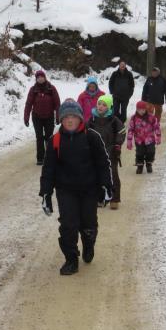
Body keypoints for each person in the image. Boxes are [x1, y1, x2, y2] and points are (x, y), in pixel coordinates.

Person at [40, 99, 113, 275]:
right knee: (68, 225)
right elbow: (48, 169)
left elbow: (103, 163)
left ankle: (88, 244)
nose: (70, 120)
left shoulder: (92, 137)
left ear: (80, 118)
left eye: (73, 116)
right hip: (66, 190)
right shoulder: (55, 141)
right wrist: (46, 194)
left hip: (89, 189)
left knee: (88, 223)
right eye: (66, 117)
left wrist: (106, 186)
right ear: (61, 120)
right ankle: (71, 259)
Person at [88, 94, 125, 210]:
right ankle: (100, 198)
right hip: (95, 153)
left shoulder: (114, 120)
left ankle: (114, 199)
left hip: (111, 152)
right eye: (99, 104)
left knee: (112, 175)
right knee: (96, 176)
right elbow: (85, 132)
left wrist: (117, 144)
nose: (100, 106)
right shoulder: (92, 120)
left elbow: (122, 131)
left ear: (109, 107)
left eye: (104, 105)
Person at [23, 70, 60, 165]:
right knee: (39, 137)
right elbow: (28, 104)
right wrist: (26, 117)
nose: (40, 78)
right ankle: (40, 158)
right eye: (38, 77)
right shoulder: (33, 89)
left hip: (49, 116)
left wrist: (58, 117)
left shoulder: (51, 88)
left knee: (49, 137)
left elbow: (57, 104)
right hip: (37, 116)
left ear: (45, 77)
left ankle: (50, 157)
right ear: (36, 79)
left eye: (41, 77)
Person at [126, 101, 162, 174]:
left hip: (150, 139)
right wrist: (129, 141)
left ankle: (149, 164)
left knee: (151, 152)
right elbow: (130, 130)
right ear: (136, 109)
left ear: (146, 109)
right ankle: (140, 165)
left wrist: (158, 137)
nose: (141, 111)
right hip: (139, 140)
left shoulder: (151, 117)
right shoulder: (134, 118)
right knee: (140, 153)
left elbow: (156, 127)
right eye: (139, 109)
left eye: (143, 109)